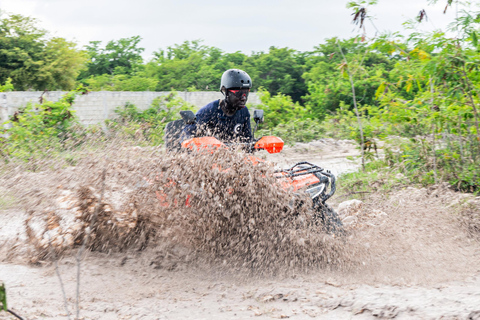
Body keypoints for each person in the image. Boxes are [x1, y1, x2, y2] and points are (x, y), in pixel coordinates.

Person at [181, 69, 253, 143]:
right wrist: (207, 141)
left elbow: (248, 141)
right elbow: (186, 138)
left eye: (246, 93)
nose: (243, 98)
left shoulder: (244, 112)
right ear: (225, 91)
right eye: (239, 93)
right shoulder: (208, 112)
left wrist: (258, 144)